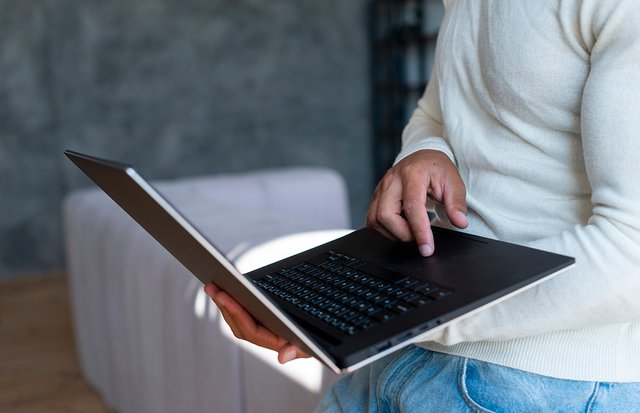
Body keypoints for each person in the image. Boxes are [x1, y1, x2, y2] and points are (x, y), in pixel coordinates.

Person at [206, 0, 640, 410]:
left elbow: (631, 257)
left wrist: (380, 316)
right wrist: (427, 151)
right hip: (410, 352)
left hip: (547, 382)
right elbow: (435, 112)